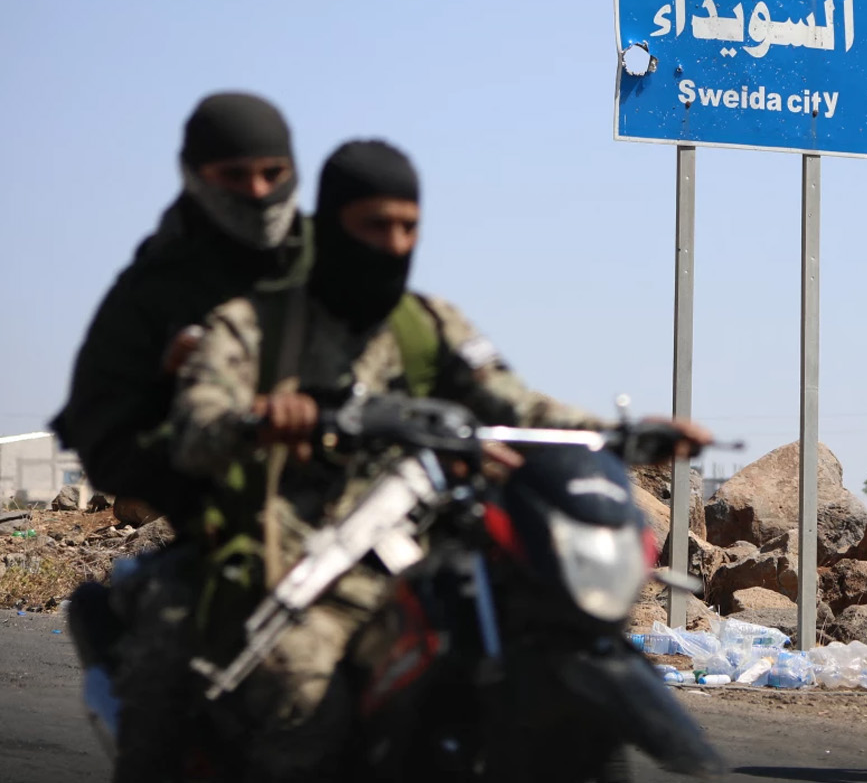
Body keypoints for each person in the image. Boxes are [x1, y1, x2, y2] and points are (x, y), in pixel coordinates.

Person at [169, 138, 709, 780]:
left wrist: (624, 435)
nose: (395, 243)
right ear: (333, 222)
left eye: (408, 227)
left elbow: (517, 407)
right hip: (302, 555)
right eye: (376, 225)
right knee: (300, 702)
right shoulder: (258, 322)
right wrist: (274, 417)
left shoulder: (428, 322)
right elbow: (196, 425)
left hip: (427, 547)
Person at [50, 91, 309, 783]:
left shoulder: (331, 266)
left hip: (354, 516)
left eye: (271, 173)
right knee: (173, 669)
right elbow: (99, 429)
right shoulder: (151, 290)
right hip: (224, 532)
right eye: (234, 176)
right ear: (195, 175)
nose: (257, 193)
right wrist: (195, 443)